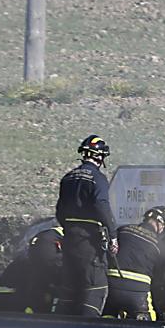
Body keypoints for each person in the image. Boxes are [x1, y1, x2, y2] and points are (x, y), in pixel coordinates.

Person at [55, 135, 118, 317]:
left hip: (69, 241)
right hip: (89, 243)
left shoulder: (67, 178)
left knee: (69, 288)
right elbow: (101, 206)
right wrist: (113, 235)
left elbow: (59, 210)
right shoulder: (97, 178)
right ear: (100, 157)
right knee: (95, 289)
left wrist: (69, 229)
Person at [104, 206, 165, 320]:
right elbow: (159, 281)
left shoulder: (123, 230)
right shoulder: (160, 247)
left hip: (112, 286)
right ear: (161, 224)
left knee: (107, 319)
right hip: (138, 292)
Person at [0, 226, 63, 314]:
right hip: (10, 300)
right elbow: (37, 289)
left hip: (7, 299)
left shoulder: (38, 250)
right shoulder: (43, 258)